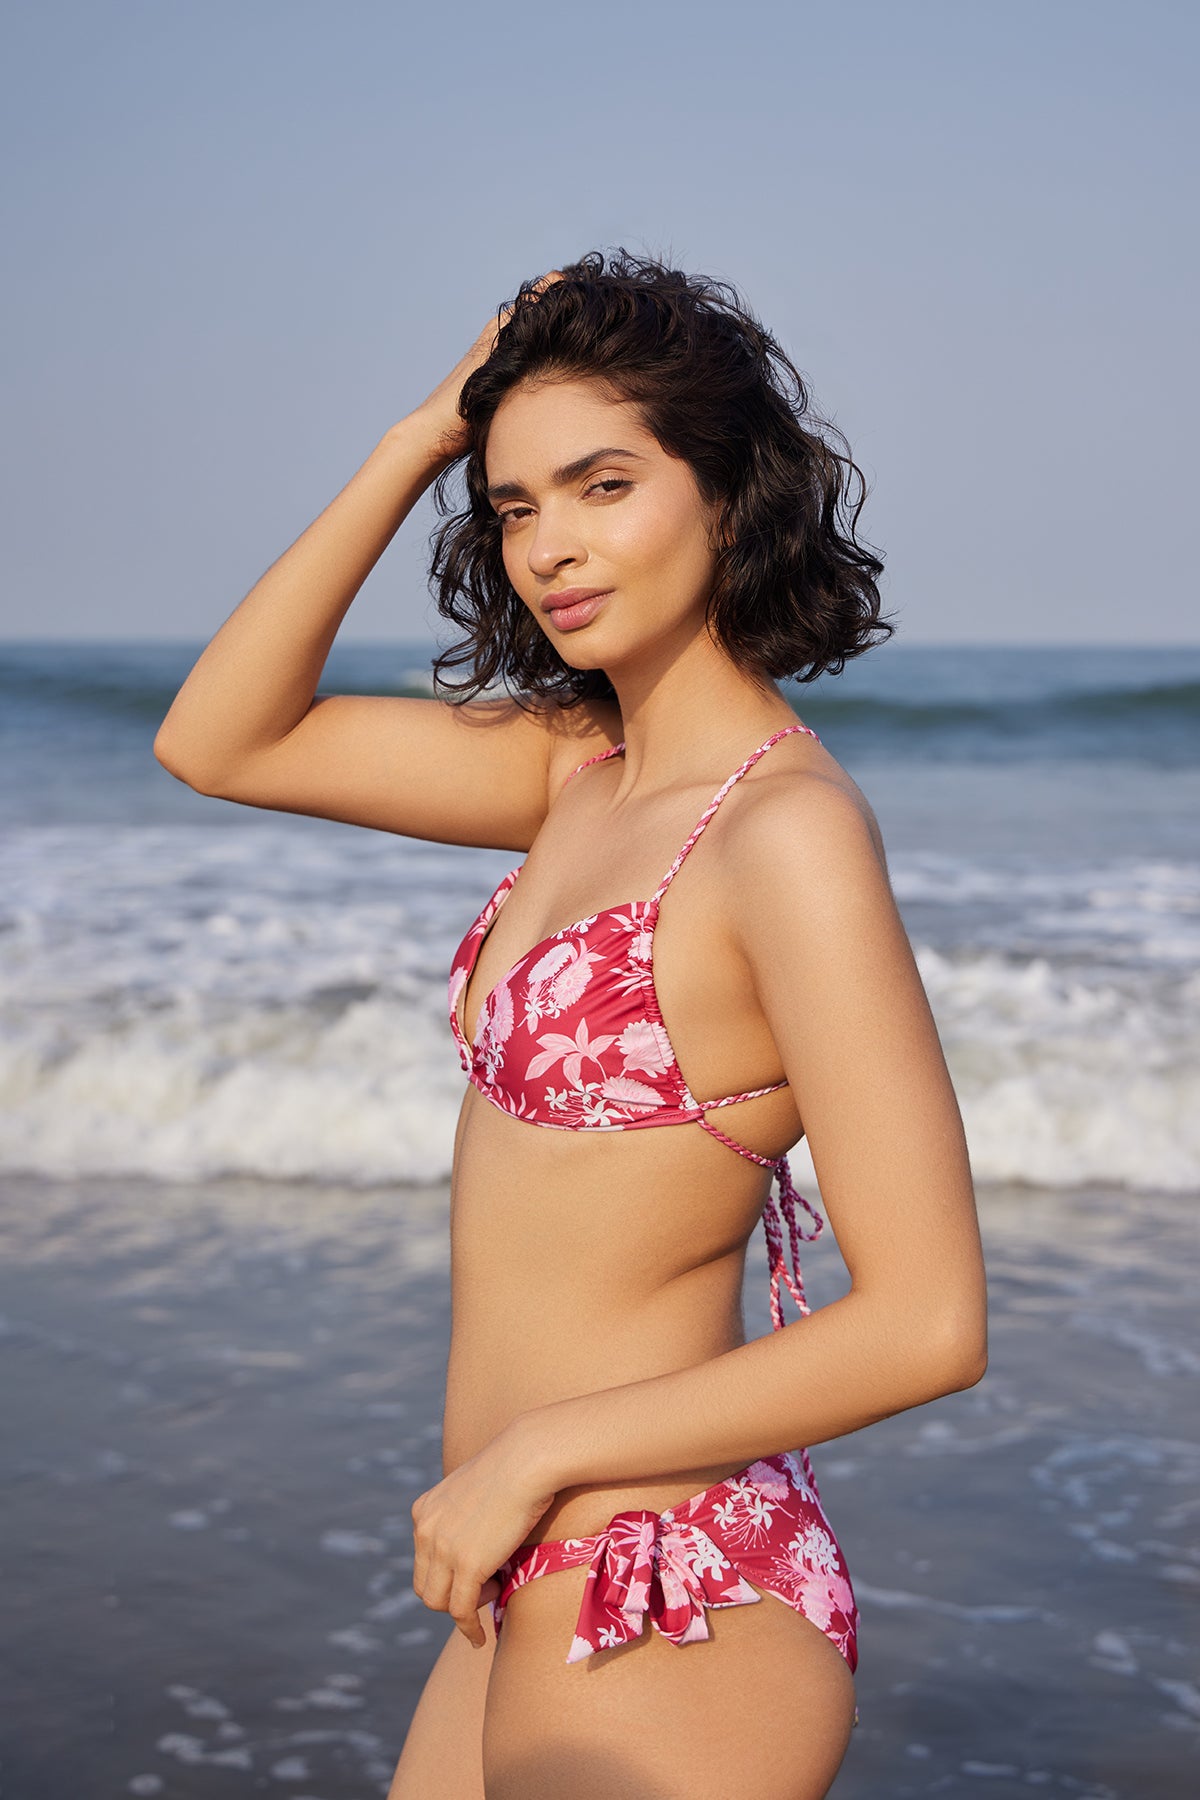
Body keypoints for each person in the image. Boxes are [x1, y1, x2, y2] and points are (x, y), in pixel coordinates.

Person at [154, 251, 988, 1800]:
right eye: (517, 504)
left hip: (664, 1599)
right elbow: (220, 737)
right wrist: (419, 437)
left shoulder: (781, 835)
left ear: (729, 491)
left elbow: (929, 1320)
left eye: (603, 485)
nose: (550, 545)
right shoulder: (572, 772)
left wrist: (537, 1455)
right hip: (514, 1583)